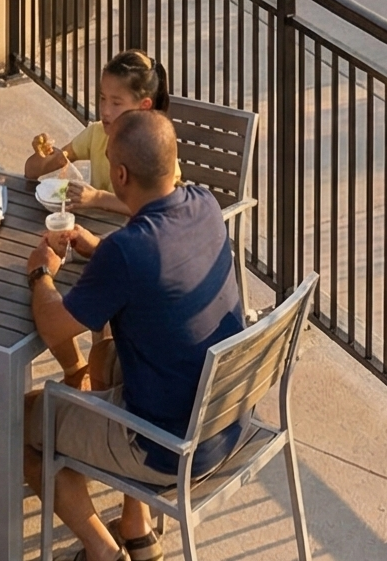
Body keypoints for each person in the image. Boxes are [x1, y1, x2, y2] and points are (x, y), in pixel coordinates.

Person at [25, 110, 243, 561]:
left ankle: (103, 553)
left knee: (26, 421)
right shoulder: (203, 203)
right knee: (102, 359)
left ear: (119, 174)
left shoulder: (129, 251)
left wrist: (39, 274)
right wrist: (99, 248)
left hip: (170, 447)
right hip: (227, 417)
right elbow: (156, 267)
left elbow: (53, 326)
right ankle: (136, 529)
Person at [24, 49, 169, 216]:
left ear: (144, 106)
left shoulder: (156, 147)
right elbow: (31, 172)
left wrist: (97, 198)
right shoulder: (97, 134)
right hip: (97, 230)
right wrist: (44, 154)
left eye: (116, 103)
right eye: (102, 98)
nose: (105, 110)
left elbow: (153, 206)